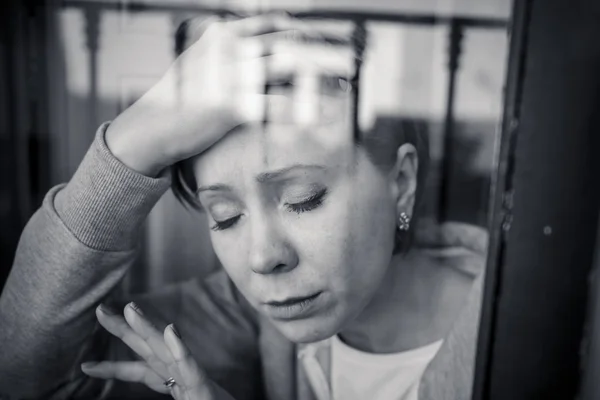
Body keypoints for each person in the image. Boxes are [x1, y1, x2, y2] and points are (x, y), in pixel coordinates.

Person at [0, 14, 487, 400]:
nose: (262, 257)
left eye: (303, 199)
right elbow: (27, 378)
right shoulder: (248, 317)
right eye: (225, 216)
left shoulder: (521, 334)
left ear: (400, 182)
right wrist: (130, 146)